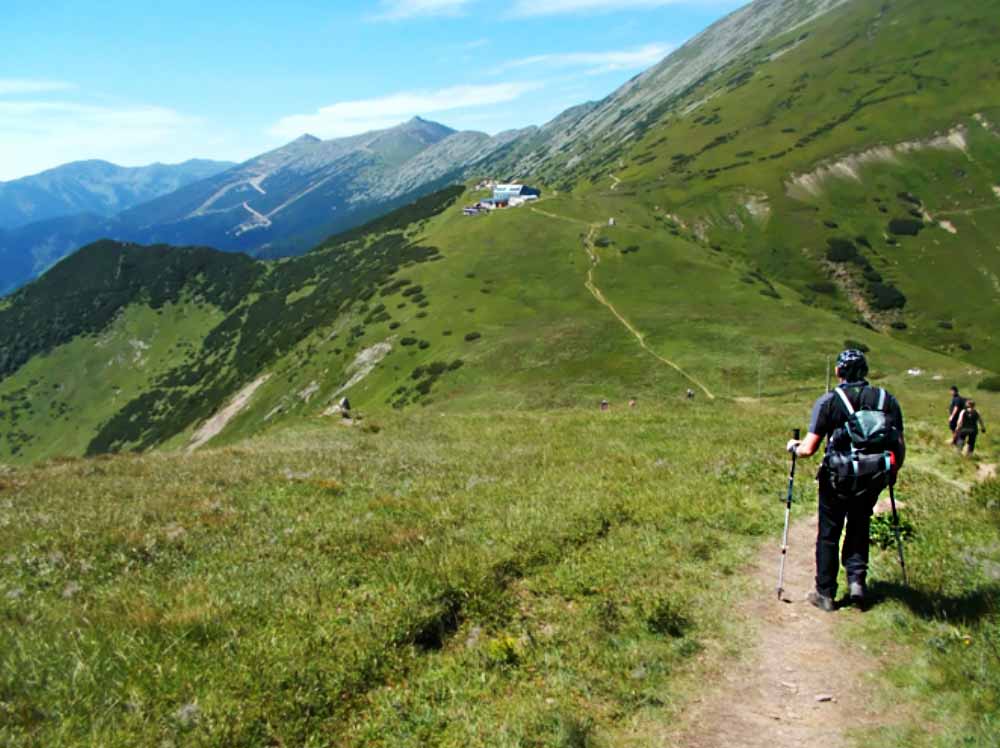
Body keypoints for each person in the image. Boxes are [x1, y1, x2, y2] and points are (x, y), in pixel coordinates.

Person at [786, 349, 905, 612]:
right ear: (865, 371)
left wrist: (793, 447)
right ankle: (857, 583)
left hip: (837, 478)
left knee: (829, 532)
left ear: (839, 371)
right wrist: (891, 475)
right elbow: (898, 444)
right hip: (872, 477)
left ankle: (825, 593)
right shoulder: (887, 400)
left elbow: (808, 449)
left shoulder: (829, 401)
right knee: (859, 526)